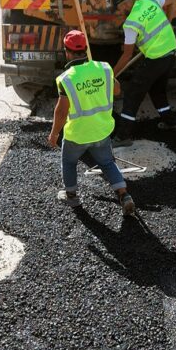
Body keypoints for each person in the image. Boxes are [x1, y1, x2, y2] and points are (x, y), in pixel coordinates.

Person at [49, 30, 135, 214]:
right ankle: (124, 195)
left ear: (67, 52)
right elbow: (117, 90)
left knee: (69, 162)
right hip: (101, 130)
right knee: (107, 163)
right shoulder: (104, 68)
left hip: (77, 134)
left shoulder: (66, 79)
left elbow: (61, 111)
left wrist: (54, 133)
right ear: (86, 49)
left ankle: (71, 196)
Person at [111, 0, 176, 146]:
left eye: (119, 9)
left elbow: (127, 55)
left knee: (132, 93)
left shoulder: (130, 24)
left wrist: (111, 74)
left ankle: (123, 136)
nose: (119, 12)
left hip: (156, 59)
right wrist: (169, 21)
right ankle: (171, 122)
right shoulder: (150, 1)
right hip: (171, 53)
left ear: (123, 5)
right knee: (157, 90)